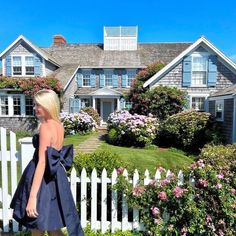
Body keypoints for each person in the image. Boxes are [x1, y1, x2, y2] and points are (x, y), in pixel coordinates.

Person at [10, 89, 84, 236]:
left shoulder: (45, 127)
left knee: (37, 225)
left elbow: (42, 163)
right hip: (54, 179)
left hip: (42, 181)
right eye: (35, 105)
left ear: (48, 105)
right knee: (53, 227)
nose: (35, 108)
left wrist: (32, 198)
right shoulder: (59, 125)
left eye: (38, 105)